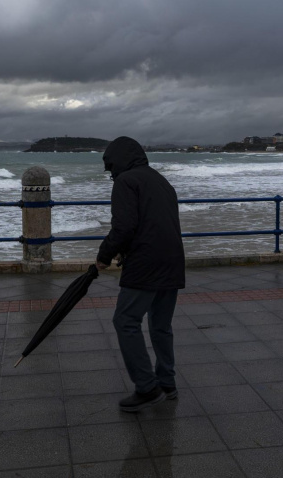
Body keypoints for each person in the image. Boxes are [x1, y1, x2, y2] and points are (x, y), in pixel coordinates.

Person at [96, 136, 186, 412]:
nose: (111, 173)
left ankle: (147, 387)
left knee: (125, 320)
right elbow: (155, 221)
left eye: (111, 166)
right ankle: (167, 382)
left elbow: (124, 226)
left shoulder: (126, 182)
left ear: (119, 161)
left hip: (147, 263)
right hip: (172, 259)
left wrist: (104, 254)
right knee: (160, 325)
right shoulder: (160, 180)